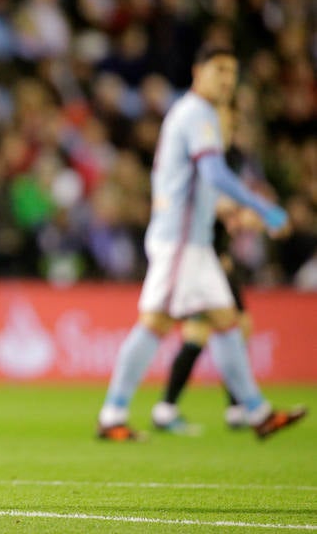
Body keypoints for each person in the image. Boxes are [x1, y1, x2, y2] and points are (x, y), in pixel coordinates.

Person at [96, 44, 307, 441]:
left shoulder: (192, 114)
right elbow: (213, 171)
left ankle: (257, 412)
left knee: (228, 323)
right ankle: (112, 415)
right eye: (219, 70)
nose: (226, 80)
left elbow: (203, 184)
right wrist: (265, 207)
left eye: (231, 73)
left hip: (194, 243)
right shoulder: (197, 113)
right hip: (179, 242)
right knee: (156, 324)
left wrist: (233, 211)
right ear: (198, 71)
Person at [151, 104, 260, 433]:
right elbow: (203, 206)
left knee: (223, 328)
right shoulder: (202, 154)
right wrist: (245, 212)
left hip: (213, 254)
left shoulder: (234, 156)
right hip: (199, 254)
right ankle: (175, 408)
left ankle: (232, 407)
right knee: (219, 328)